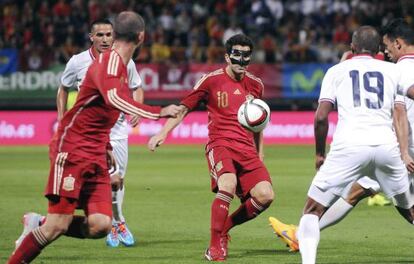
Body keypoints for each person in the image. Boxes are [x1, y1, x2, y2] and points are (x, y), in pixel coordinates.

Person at [7, 11, 180, 264]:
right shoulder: (109, 63)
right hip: (73, 149)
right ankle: (35, 235)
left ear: (115, 34)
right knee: (57, 226)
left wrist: (106, 145)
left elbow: (100, 110)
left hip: (96, 149)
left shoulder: (121, 65)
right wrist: (159, 112)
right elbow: (114, 99)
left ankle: (39, 222)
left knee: (101, 225)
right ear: (142, 37)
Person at [269, 19, 414, 253]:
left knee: (322, 206)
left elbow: (399, 114)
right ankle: (298, 235)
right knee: (366, 192)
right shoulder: (393, 70)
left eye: (388, 46)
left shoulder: (396, 69)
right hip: (390, 148)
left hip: (386, 148)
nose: (386, 51)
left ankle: (300, 235)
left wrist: (318, 154)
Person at [148, 34, 274, 261]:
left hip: (246, 149)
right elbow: (184, 108)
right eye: (237, 54)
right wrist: (163, 132)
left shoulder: (256, 85)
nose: (241, 60)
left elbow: (259, 124)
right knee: (228, 184)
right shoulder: (210, 81)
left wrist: (260, 152)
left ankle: (224, 228)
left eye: (246, 55)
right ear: (227, 56)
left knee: (265, 195)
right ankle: (215, 246)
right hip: (220, 143)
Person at [55, 18, 141, 248]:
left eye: (109, 35)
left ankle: (114, 222)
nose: (105, 39)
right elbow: (63, 89)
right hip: (88, 133)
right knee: (95, 180)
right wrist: (62, 118)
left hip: (118, 130)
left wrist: (137, 110)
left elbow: (137, 87)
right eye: (100, 35)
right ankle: (115, 222)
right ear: (91, 37)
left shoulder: (125, 60)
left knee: (117, 180)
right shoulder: (77, 62)